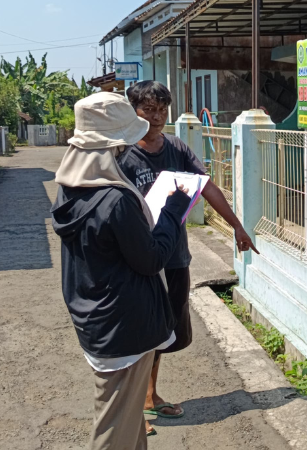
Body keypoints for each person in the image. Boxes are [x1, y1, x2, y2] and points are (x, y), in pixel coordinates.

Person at [51, 92, 192, 449]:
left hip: (95, 318)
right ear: (110, 147)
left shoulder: (69, 190)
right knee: (114, 430)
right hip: (125, 327)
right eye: (121, 145)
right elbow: (151, 259)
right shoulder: (116, 200)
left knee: (129, 426)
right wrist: (173, 210)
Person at [117, 80, 258, 434]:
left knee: (165, 330)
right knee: (138, 332)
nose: (157, 117)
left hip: (174, 255)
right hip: (138, 259)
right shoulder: (121, 155)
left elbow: (206, 186)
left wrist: (237, 226)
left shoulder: (177, 148)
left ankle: (148, 396)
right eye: (149, 110)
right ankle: (130, 411)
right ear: (133, 110)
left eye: (162, 109)